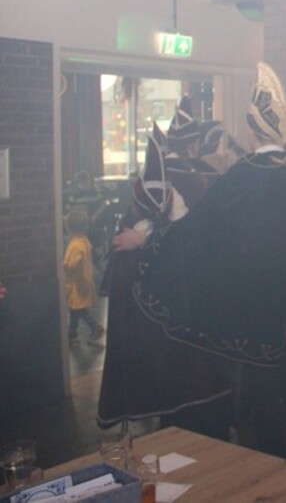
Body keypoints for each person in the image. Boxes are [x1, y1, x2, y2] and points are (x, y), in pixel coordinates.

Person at [136, 61, 286, 457]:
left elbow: (198, 235)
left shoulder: (241, 177)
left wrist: (149, 241)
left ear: (251, 130)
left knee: (260, 403)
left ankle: (263, 467)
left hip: (250, 316)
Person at [97, 134, 232, 436]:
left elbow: (193, 243)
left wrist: (145, 240)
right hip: (182, 336)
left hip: (189, 334)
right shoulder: (195, 183)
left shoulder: (166, 230)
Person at [64, 209, 104, 346]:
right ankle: (72, 334)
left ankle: (94, 328)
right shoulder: (84, 241)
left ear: (68, 227)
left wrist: (61, 267)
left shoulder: (75, 245)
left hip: (76, 284)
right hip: (84, 281)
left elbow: (70, 264)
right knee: (76, 310)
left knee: (78, 310)